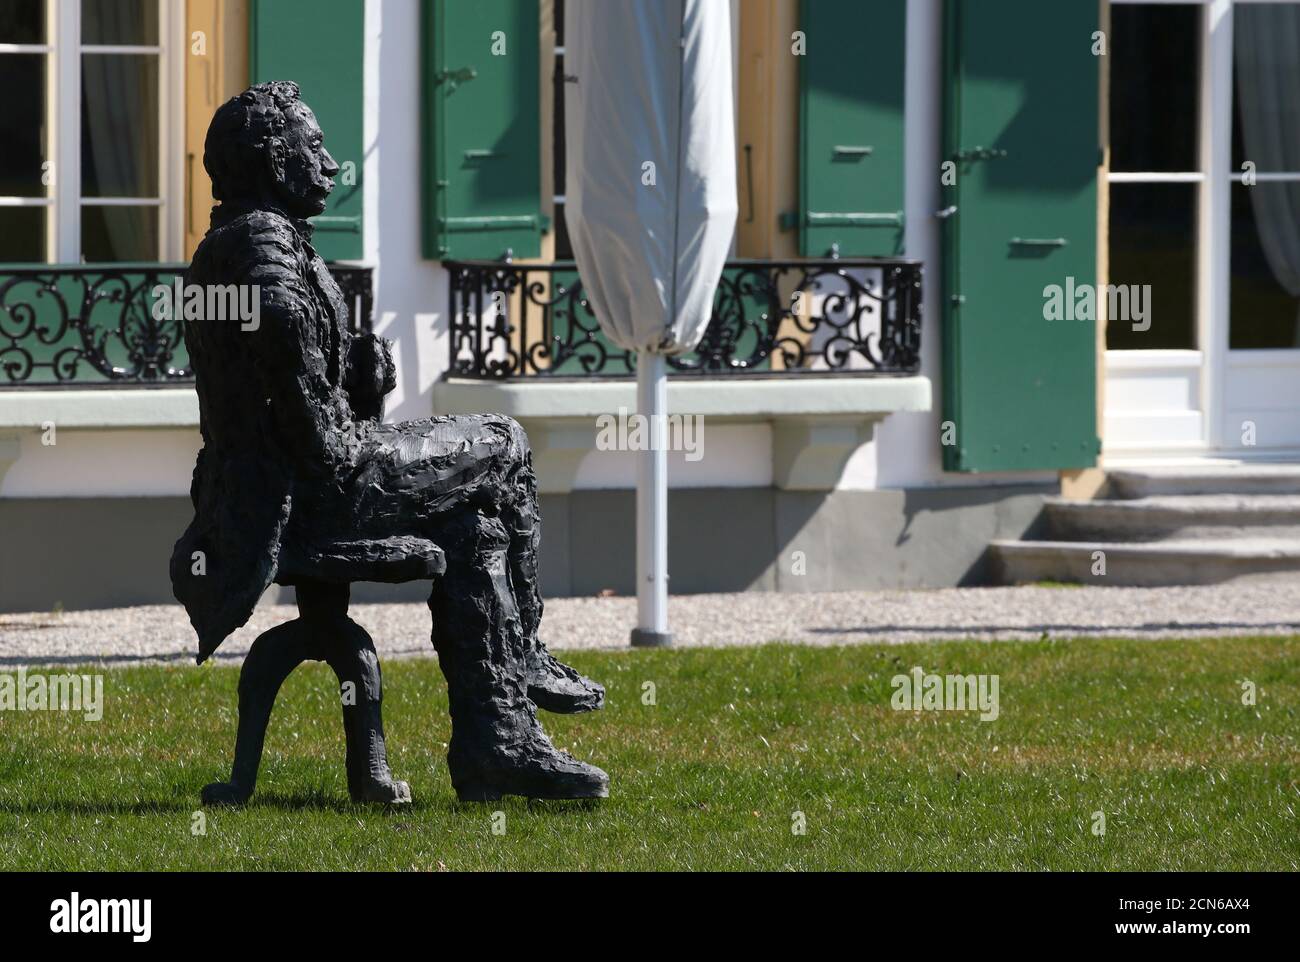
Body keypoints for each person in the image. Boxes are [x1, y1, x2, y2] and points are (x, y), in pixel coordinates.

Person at [173, 81, 607, 803]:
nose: (332, 164)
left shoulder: (241, 243)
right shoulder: (262, 251)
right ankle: (524, 658)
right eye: (314, 148)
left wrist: (359, 376)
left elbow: (285, 387)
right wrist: (348, 415)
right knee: (504, 440)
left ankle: (495, 745)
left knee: (480, 529)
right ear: (276, 161)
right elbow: (303, 407)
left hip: (278, 487)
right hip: (310, 492)